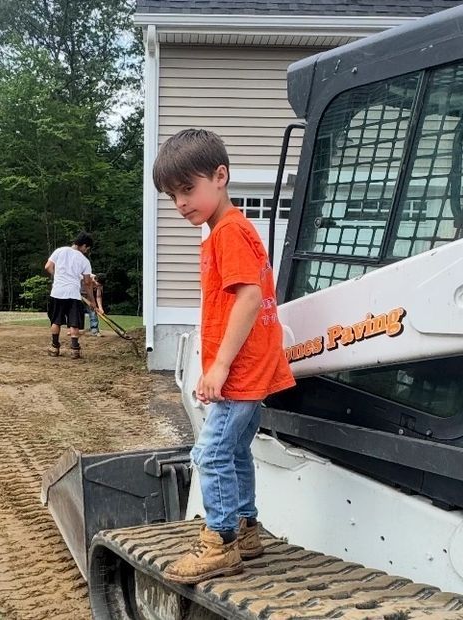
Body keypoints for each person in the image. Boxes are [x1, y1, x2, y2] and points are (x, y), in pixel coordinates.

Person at [152, 129, 295, 584]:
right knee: (233, 452)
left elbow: (249, 298)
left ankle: (220, 543)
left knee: (210, 454)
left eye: (187, 189)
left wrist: (219, 366)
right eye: (172, 195)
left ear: (220, 176)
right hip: (251, 365)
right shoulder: (225, 230)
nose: (180, 202)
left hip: (241, 370)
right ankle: (245, 528)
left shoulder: (229, 231)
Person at [44, 233, 94, 359]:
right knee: (74, 323)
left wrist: (58, 277)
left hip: (57, 292)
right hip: (73, 294)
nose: (86, 251)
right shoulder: (84, 260)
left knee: (56, 320)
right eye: (87, 248)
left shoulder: (59, 251)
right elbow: (88, 283)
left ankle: (55, 347)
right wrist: (92, 301)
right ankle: (75, 350)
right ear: (83, 245)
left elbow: (48, 266)